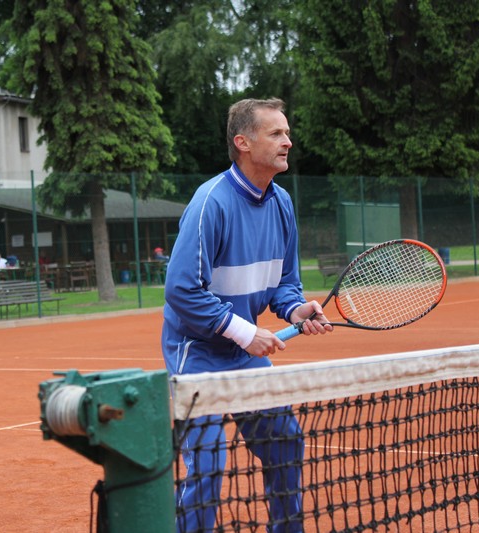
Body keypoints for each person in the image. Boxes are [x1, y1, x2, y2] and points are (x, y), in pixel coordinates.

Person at [161, 98, 332, 532]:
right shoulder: (211, 202)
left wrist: (296, 308)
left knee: (284, 441)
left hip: (243, 352)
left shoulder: (282, 203)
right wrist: (244, 332)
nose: (287, 141)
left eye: (287, 132)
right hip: (196, 352)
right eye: (276, 133)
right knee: (207, 462)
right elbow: (181, 289)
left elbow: (284, 282)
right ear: (243, 142)